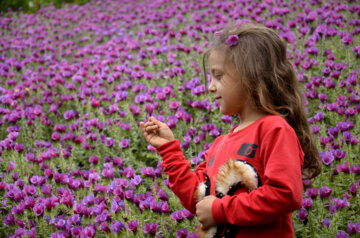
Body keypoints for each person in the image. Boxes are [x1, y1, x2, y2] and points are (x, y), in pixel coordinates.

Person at [139, 22, 322, 238]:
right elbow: (199, 200)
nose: (211, 87)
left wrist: (220, 210)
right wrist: (169, 150)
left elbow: (284, 195)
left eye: (218, 76)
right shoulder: (221, 143)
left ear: (250, 76)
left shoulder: (274, 130)